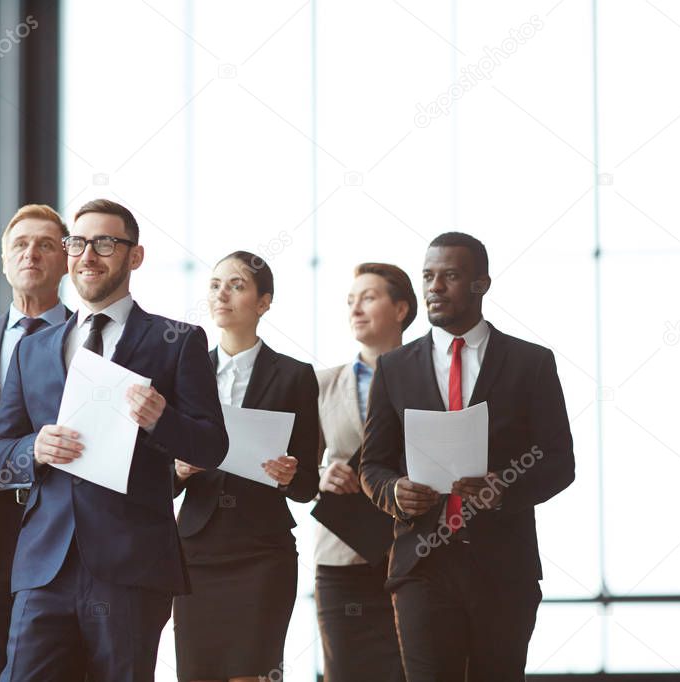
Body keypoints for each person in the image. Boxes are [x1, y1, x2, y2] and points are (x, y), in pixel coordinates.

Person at [0, 198, 229, 680]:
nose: (87, 256)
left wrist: (162, 418)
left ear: (134, 256)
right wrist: (32, 449)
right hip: (44, 567)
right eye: (77, 243)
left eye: (104, 243)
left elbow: (211, 446)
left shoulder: (179, 340)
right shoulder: (33, 348)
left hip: (131, 565)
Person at [360, 232, 576, 681]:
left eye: (451, 276)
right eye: (428, 276)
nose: (434, 287)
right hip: (421, 564)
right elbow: (373, 465)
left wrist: (504, 489)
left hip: (503, 567)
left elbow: (559, 461)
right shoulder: (395, 367)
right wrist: (395, 492)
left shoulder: (530, 363)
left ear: (482, 284)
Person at [172, 251, 319, 682]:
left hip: (261, 551)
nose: (222, 294)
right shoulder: (187, 371)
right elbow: (159, 474)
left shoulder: (294, 376)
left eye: (236, 285)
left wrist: (290, 475)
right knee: (197, 673)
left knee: (249, 674)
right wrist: (179, 471)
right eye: (216, 284)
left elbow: (308, 482)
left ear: (264, 302)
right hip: (197, 548)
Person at [0, 204, 71, 682]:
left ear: (66, 261)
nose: (32, 253)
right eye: (20, 245)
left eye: (46, 244)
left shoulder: (89, 339)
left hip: (58, 526)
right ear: (3, 260)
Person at [313, 263, 414, 682]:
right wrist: (321, 473)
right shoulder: (320, 384)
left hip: (416, 555)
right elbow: (295, 465)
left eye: (369, 297)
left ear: (402, 309)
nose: (356, 308)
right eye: (351, 300)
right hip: (343, 556)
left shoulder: (431, 378)